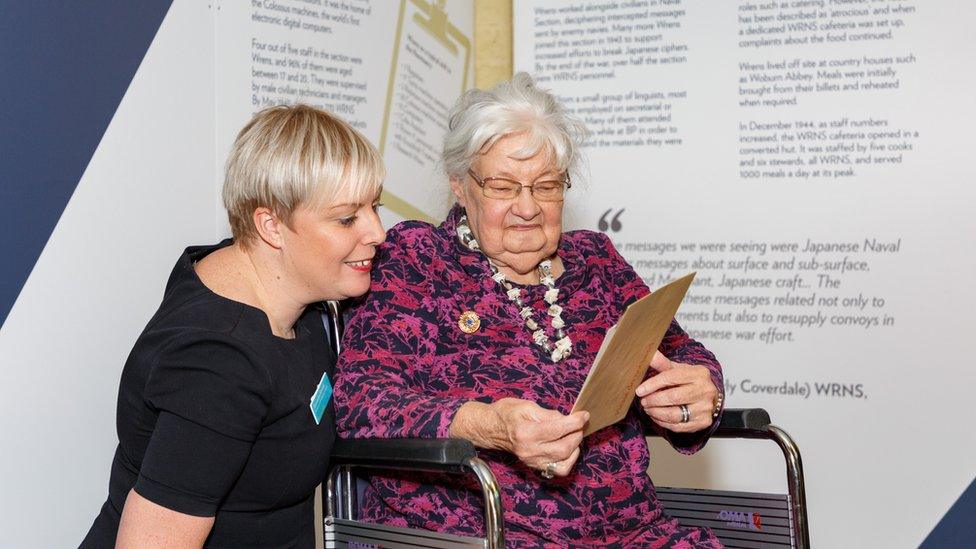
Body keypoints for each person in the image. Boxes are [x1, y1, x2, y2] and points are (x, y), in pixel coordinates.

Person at [334, 73, 725, 548]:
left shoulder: (597, 262)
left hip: (635, 533)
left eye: (546, 186)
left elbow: (681, 353)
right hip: (486, 534)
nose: (527, 207)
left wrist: (700, 391)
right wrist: (491, 426)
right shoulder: (420, 259)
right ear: (460, 185)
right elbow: (360, 400)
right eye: (502, 186)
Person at [81, 104, 386, 548]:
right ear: (271, 227)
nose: (377, 232)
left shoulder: (258, 278)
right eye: (346, 218)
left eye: (374, 207)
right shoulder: (219, 364)